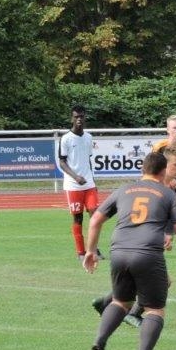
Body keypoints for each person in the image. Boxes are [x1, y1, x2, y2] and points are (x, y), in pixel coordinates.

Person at [83, 150, 176, 350]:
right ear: (163, 171)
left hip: (119, 252)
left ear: (142, 169)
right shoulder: (169, 195)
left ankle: (99, 341)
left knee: (120, 301)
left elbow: (95, 220)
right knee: (155, 309)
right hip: (147, 253)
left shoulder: (123, 189)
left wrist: (90, 251)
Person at [58, 104, 102, 264]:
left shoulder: (88, 137)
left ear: (85, 118)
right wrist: (76, 177)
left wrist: (92, 181)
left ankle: (94, 249)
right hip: (73, 185)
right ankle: (81, 252)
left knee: (95, 216)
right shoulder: (66, 139)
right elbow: (62, 162)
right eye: (76, 117)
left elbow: (88, 160)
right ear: (72, 118)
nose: (79, 119)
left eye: (81, 117)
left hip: (89, 184)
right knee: (78, 218)